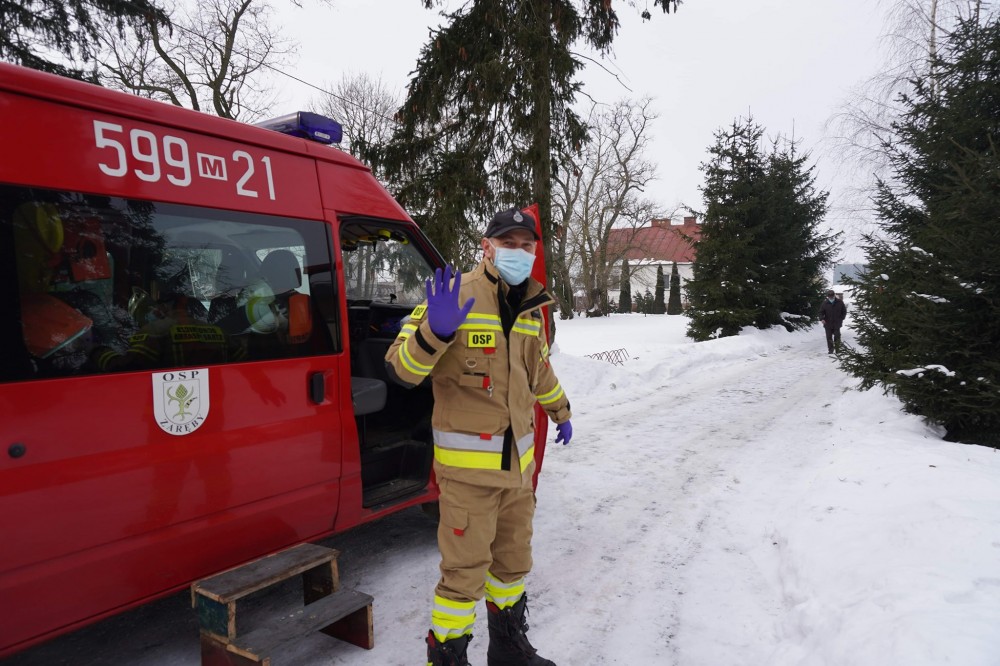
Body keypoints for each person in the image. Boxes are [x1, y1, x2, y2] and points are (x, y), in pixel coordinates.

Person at [385, 208, 572, 666]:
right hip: (469, 478)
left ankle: (508, 650)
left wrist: (561, 411)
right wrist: (436, 331)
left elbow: (538, 370)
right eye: (508, 243)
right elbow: (401, 370)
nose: (518, 252)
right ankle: (446, 659)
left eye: (526, 245)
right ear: (486, 247)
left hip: (518, 474)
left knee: (512, 565)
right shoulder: (455, 296)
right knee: (463, 576)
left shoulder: (532, 305)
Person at [819, 289, 847, 355]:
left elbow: (844, 311)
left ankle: (837, 350)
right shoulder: (825, 303)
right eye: (829, 296)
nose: (831, 297)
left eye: (832, 296)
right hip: (827, 323)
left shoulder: (840, 302)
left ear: (834, 295)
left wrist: (841, 318)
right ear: (828, 296)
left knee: (837, 336)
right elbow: (820, 312)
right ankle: (830, 350)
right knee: (829, 337)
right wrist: (822, 319)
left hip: (837, 323)